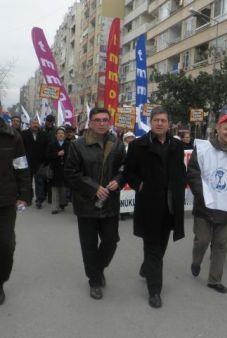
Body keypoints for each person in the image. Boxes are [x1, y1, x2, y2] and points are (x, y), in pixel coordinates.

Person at [124, 107, 186, 309]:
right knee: (153, 247)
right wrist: (139, 185)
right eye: (156, 120)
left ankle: (146, 268)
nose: (160, 123)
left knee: (161, 245)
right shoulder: (138, 145)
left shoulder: (177, 146)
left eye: (164, 120)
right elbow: (129, 172)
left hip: (169, 206)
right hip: (149, 204)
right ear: (150, 122)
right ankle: (155, 291)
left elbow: (181, 172)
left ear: (169, 124)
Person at [65, 107, 126, 300]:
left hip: (110, 203)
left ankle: (96, 270)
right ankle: (94, 282)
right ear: (90, 122)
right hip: (86, 205)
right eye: (97, 120)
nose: (101, 123)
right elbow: (71, 173)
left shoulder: (117, 144)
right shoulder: (77, 145)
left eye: (105, 120)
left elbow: (125, 168)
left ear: (110, 122)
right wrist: (93, 188)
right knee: (89, 245)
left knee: (111, 241)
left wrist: (119, 180)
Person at [188, 114, 227, 294]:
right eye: (226, 128)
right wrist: (203, 196)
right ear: (218, 129)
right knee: (203, 241)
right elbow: (193, 173)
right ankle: (196, 261)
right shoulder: (203, 148)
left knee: (221, 244)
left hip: (226, 208)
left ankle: (214, 280)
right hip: (204, 206)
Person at [0, 115, 32, 305]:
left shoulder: (12, 136)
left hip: (5, 200)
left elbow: (21, 166)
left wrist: (24, 195)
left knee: (5, 245)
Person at [21, 118, 48, 208]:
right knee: (28, 182)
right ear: (30, 124)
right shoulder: (24, 134)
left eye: (37, 123)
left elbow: (46, 148)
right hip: (27, 162)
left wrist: (44, 161)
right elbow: (21, 148)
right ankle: (28, 199)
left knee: (39, 182)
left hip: (39, 163)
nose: (35, 125)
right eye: (34, 123)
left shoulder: (43, 134)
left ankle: (39, 200)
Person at [46, 127, 69, 214]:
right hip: (54, 170)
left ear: (65, 135)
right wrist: (57, 154)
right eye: (59, 133)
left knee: (63, 189)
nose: (60, 134)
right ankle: (55, 207)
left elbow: (72, 157)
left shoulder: (69, 144)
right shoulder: (52, 144)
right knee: (55, 189)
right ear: (56, 135)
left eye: (62, 133)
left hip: (65, 170)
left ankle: (62, 203)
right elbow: (47, 156)